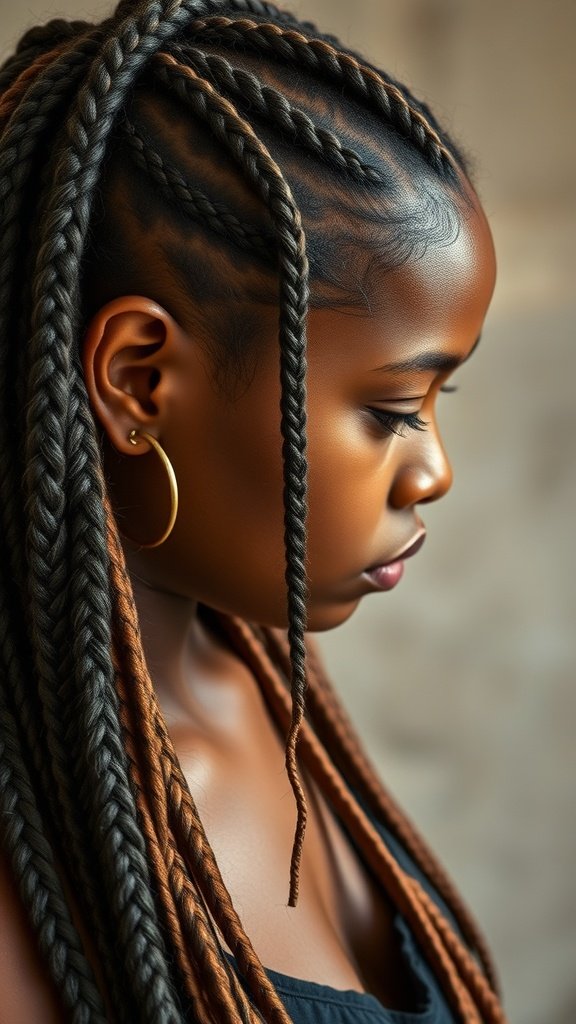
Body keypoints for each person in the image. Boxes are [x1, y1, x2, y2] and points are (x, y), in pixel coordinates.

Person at [0, 1, 503, 1021]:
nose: (434, 473)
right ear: (139, 380)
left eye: (442, 397)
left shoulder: (263, 681)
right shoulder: (35, 847)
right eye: (392, 410)